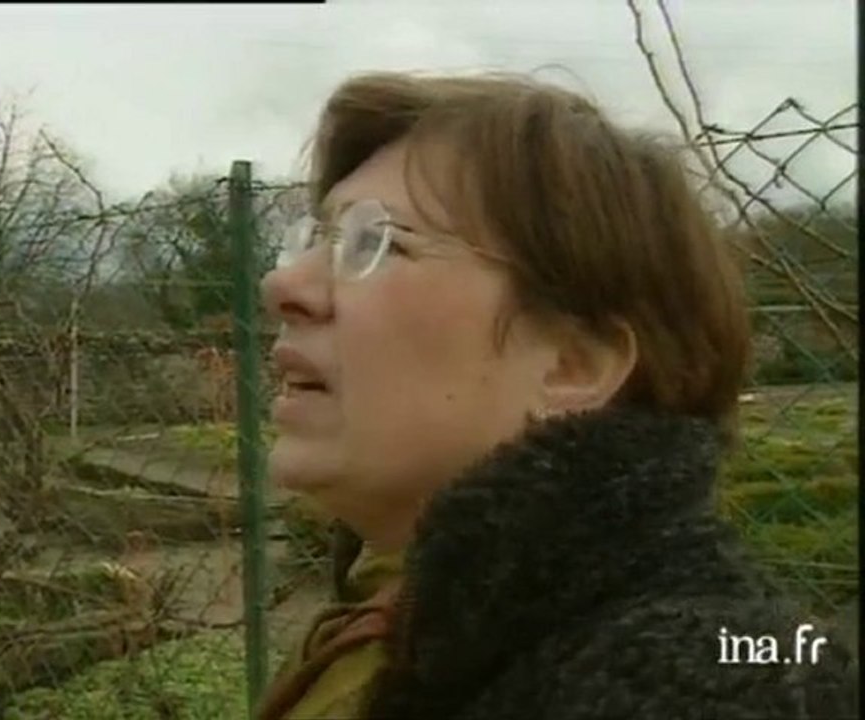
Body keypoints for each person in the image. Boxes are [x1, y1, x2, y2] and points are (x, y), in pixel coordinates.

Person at [255, 72, 858, 720]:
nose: (282, 283)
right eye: (318, 237)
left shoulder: (701, 688)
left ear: (572, 366)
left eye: (377, 241)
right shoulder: (382, 627)